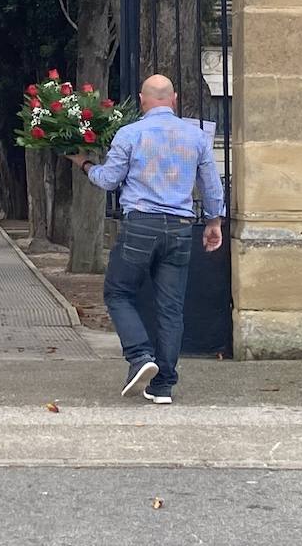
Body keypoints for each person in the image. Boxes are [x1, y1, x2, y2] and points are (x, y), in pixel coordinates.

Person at [68, 74, 225, 405]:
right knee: (171, 307)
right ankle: (164, 384)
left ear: (142, 100)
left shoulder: (130, 134)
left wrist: (84, 165)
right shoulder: (195, 136)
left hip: (141, 224)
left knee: (118, 291)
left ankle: (140, 356)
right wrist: (214, 221)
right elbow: (211, 183)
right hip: (181, 228)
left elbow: (109, 180)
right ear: (175, 98)